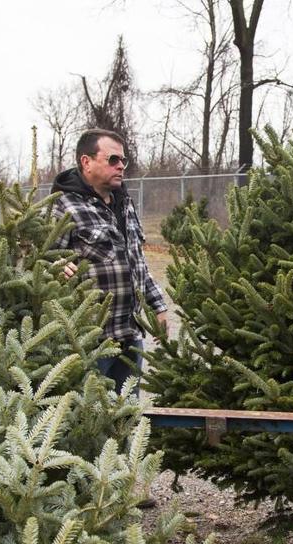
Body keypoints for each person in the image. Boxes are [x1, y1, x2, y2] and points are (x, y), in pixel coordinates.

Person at [51, 129, 168, 394]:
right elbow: (40, 262)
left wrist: (158, 307)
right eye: (113, 159)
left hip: (129, 338)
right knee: (89, 419)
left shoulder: (124, 202)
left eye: (123, 161)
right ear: (86, 162)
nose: (121, 167)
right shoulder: (63, 207)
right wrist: (56, 268)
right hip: (90, 342)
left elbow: (137, 264)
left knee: (126, 417)